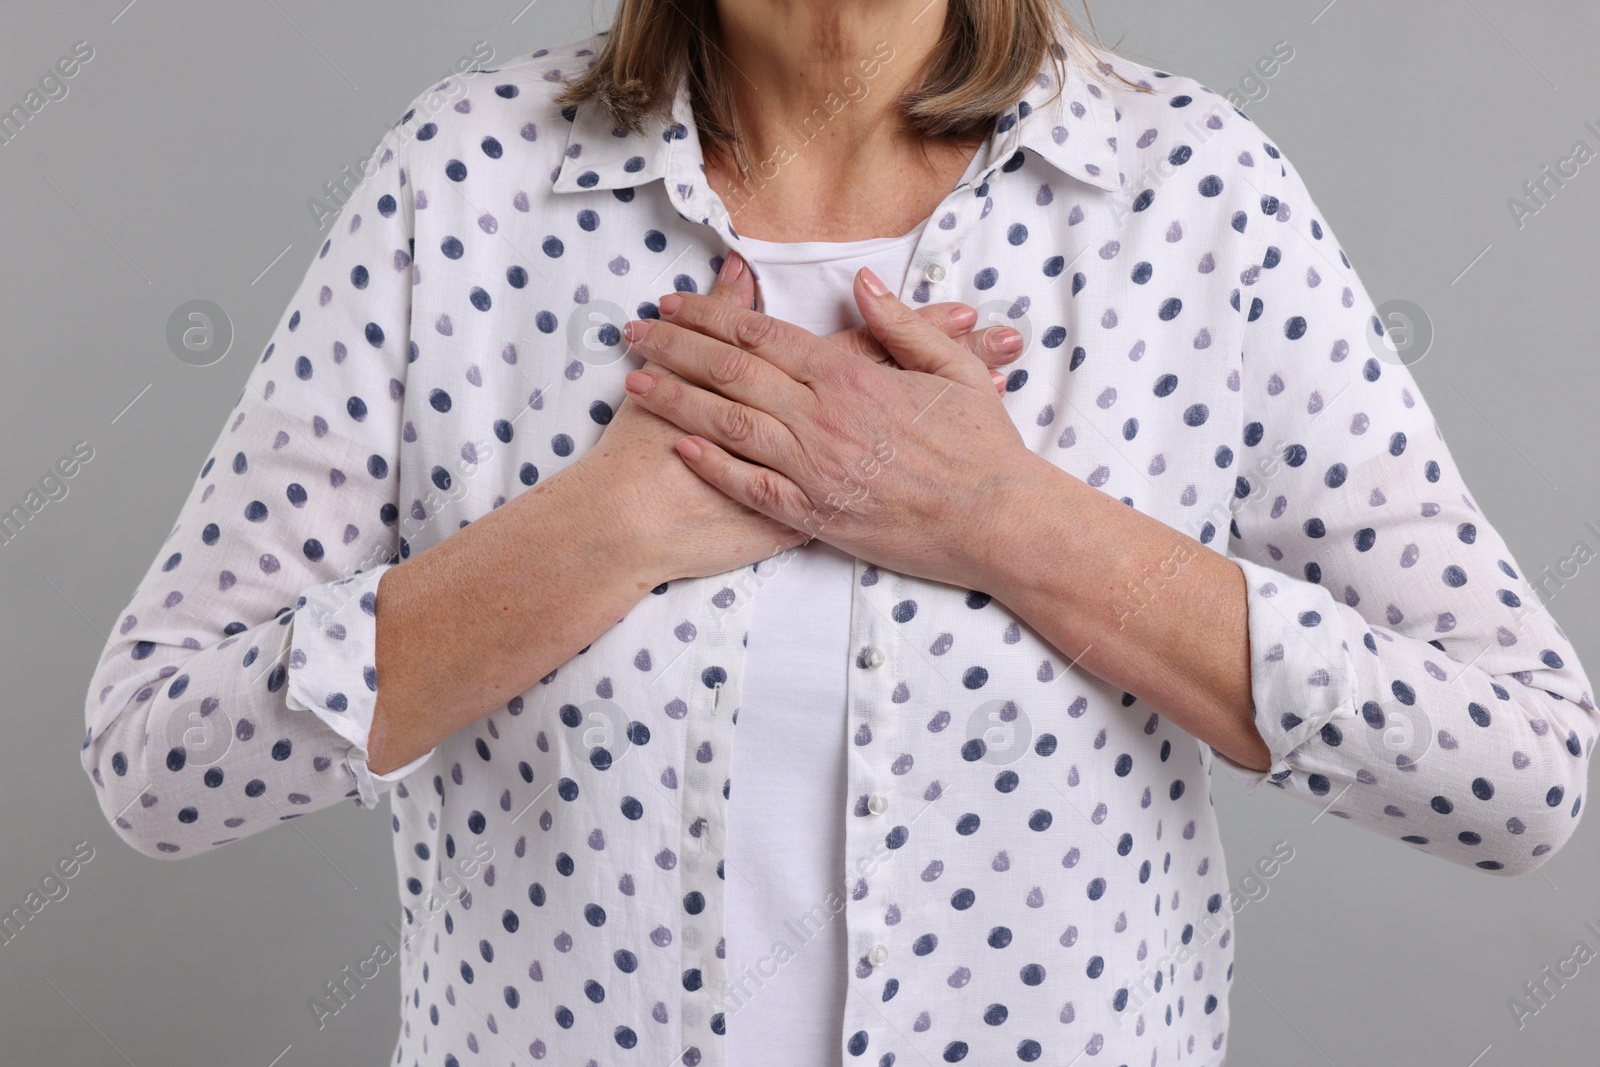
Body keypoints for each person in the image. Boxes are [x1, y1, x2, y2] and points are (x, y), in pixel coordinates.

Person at [80, 1, 1595, 1064]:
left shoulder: (1190, 200)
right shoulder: (465, 186)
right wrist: (600, 534)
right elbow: (158, 756)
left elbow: (1519, 769)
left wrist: (1005, 520)